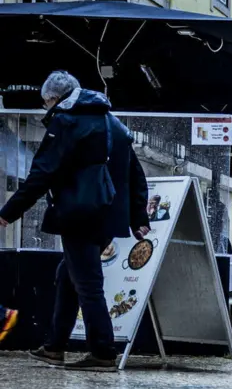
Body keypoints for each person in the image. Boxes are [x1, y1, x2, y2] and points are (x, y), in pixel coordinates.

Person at [0, 71, 150, 370]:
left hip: (79, 215)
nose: (47, 109)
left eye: (46, 103)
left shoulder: (66, 122)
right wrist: (138, 216)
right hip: (108, 217)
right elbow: (134, 173)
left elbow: (42, 173)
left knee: (88, 284)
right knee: (68, 275)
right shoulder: (115, 125)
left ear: (55, 99)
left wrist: (8, 212)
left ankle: (103, 352)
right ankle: (54, 346)